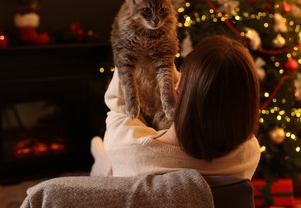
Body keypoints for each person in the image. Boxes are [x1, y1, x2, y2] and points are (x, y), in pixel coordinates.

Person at [90, 35, 261, 180]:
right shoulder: (248, 154)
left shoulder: (130, 149)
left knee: (105, 162)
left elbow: (120, 108)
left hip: (117, 169)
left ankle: (101, 160)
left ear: (179, 84)